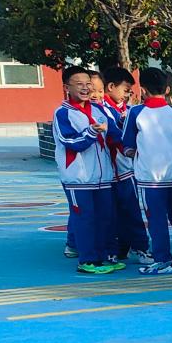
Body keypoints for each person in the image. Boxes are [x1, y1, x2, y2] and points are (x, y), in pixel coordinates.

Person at [120, 66, 172, 273]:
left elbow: (126, 145)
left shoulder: (136, 113)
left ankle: (163, 259)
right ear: (167, 89)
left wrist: (138, 153)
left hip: (150, 176)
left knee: (156, 218)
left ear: (143, 90)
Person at [52, 65, 121, 275]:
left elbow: (115, 132)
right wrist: (91, 132)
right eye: (79, 84)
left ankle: (103, 257)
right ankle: (87, 260)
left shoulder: (98, 109)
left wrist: (127, 147)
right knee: (84, 219)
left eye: (87, 84)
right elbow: (70, 141)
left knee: (104, 218)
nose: (85, 88)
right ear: (67, 87)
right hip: (78, 178)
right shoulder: (63, 113)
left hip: (102, 177)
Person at [100, 64, 147, 263]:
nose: (128, 94)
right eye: (125, 90)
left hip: (125, 170)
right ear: (110, 86)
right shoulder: (101, 110)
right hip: (107, 171)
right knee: (111, 213)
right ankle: (119, 247)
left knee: (132, 210)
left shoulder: (130, 111)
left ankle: (140, 247)